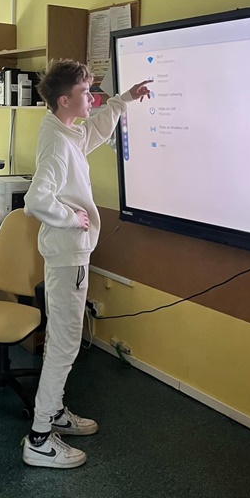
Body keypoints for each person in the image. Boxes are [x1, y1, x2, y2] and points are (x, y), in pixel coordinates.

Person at [22, 59, 151, 469]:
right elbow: (36, 199)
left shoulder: (62, 128)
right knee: (65, 343)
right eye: (85, 92)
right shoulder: (58, 144)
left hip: (66, 253)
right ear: (65, 100)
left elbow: (93, 131)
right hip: (67, 254)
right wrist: (69, 217)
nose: (92, 98)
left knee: (62, 339)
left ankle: (55, 412)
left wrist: (123, 100)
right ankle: (39, 437)